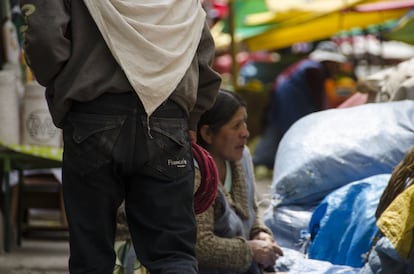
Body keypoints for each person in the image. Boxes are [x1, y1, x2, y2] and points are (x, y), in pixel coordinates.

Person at [19, 1, 221, 273]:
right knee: (172, 255)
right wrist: (192, 116)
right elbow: (203, 51)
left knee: (91, 257)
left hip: (92, 115)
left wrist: (66, 88)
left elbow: (44, 38)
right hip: (167, 120)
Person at [195, 89, 284, 274]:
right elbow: (200, 246)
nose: (245, 133)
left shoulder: (241, 157)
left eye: (244, 122)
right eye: (236, 126)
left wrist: (260, 233)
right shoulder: (196, 176)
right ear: (208, 133)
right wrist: (251, 250)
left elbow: (252, 209)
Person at [252, 41, 347, 169]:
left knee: (278, 131)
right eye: (336, 65)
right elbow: (317, 98)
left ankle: (260, 160)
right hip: (290, 102)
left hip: (283, 100)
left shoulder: (308, 65)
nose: (337, 69)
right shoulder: (313, 69)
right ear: (329, 62)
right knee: (293, 134)